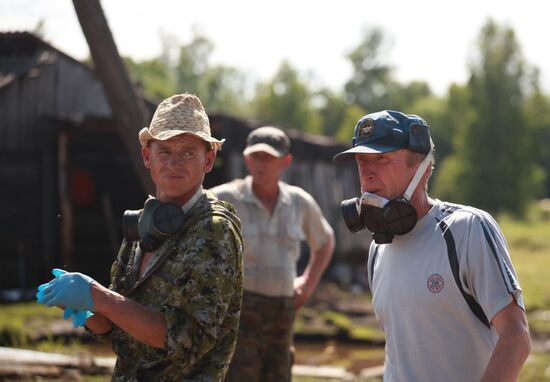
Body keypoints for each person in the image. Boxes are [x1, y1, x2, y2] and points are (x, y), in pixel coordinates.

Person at [36, 93, 244, 381]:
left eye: (187, 152)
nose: (174, 162)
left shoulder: (213, 229)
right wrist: (88, 310)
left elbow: (186, 340)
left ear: (208, 159)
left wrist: (100, 297)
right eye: (164, 151)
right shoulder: (143, 224)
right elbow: (121, 334)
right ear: (147, 156)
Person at [333, 110, 531, 382]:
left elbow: (516, 337)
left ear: (422, 167)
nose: (367, 173)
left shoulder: (467, 229)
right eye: (361, 160)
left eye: (381, 159)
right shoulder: (377, 249)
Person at [210, 126, 335, 382]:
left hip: (282, 312)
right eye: (255, 157)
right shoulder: (223, 198)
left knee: (279, 375)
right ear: (246, 159)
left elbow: (325, 241)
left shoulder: (299, 202)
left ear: (285, 162)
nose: (261, 164)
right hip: (240, 313)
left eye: (268, 158)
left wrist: (308, 283)